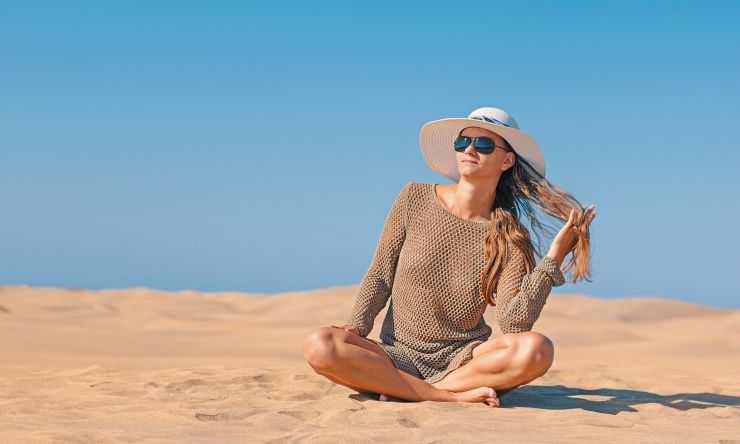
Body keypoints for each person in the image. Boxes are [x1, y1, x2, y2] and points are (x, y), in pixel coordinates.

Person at [303, 107, 596, 407]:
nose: (469, 149)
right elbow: (380, 274)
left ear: (507, 160)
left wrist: (553, 259)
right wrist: (357, 326)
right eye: (462, 142)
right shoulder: (413, 198)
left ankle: (413, 390)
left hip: (464, 363)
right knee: (320, 345)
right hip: (395, 356)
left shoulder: (510, 237)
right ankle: (443, 396)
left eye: (483, 145)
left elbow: (513, 324)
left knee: (538, 349)